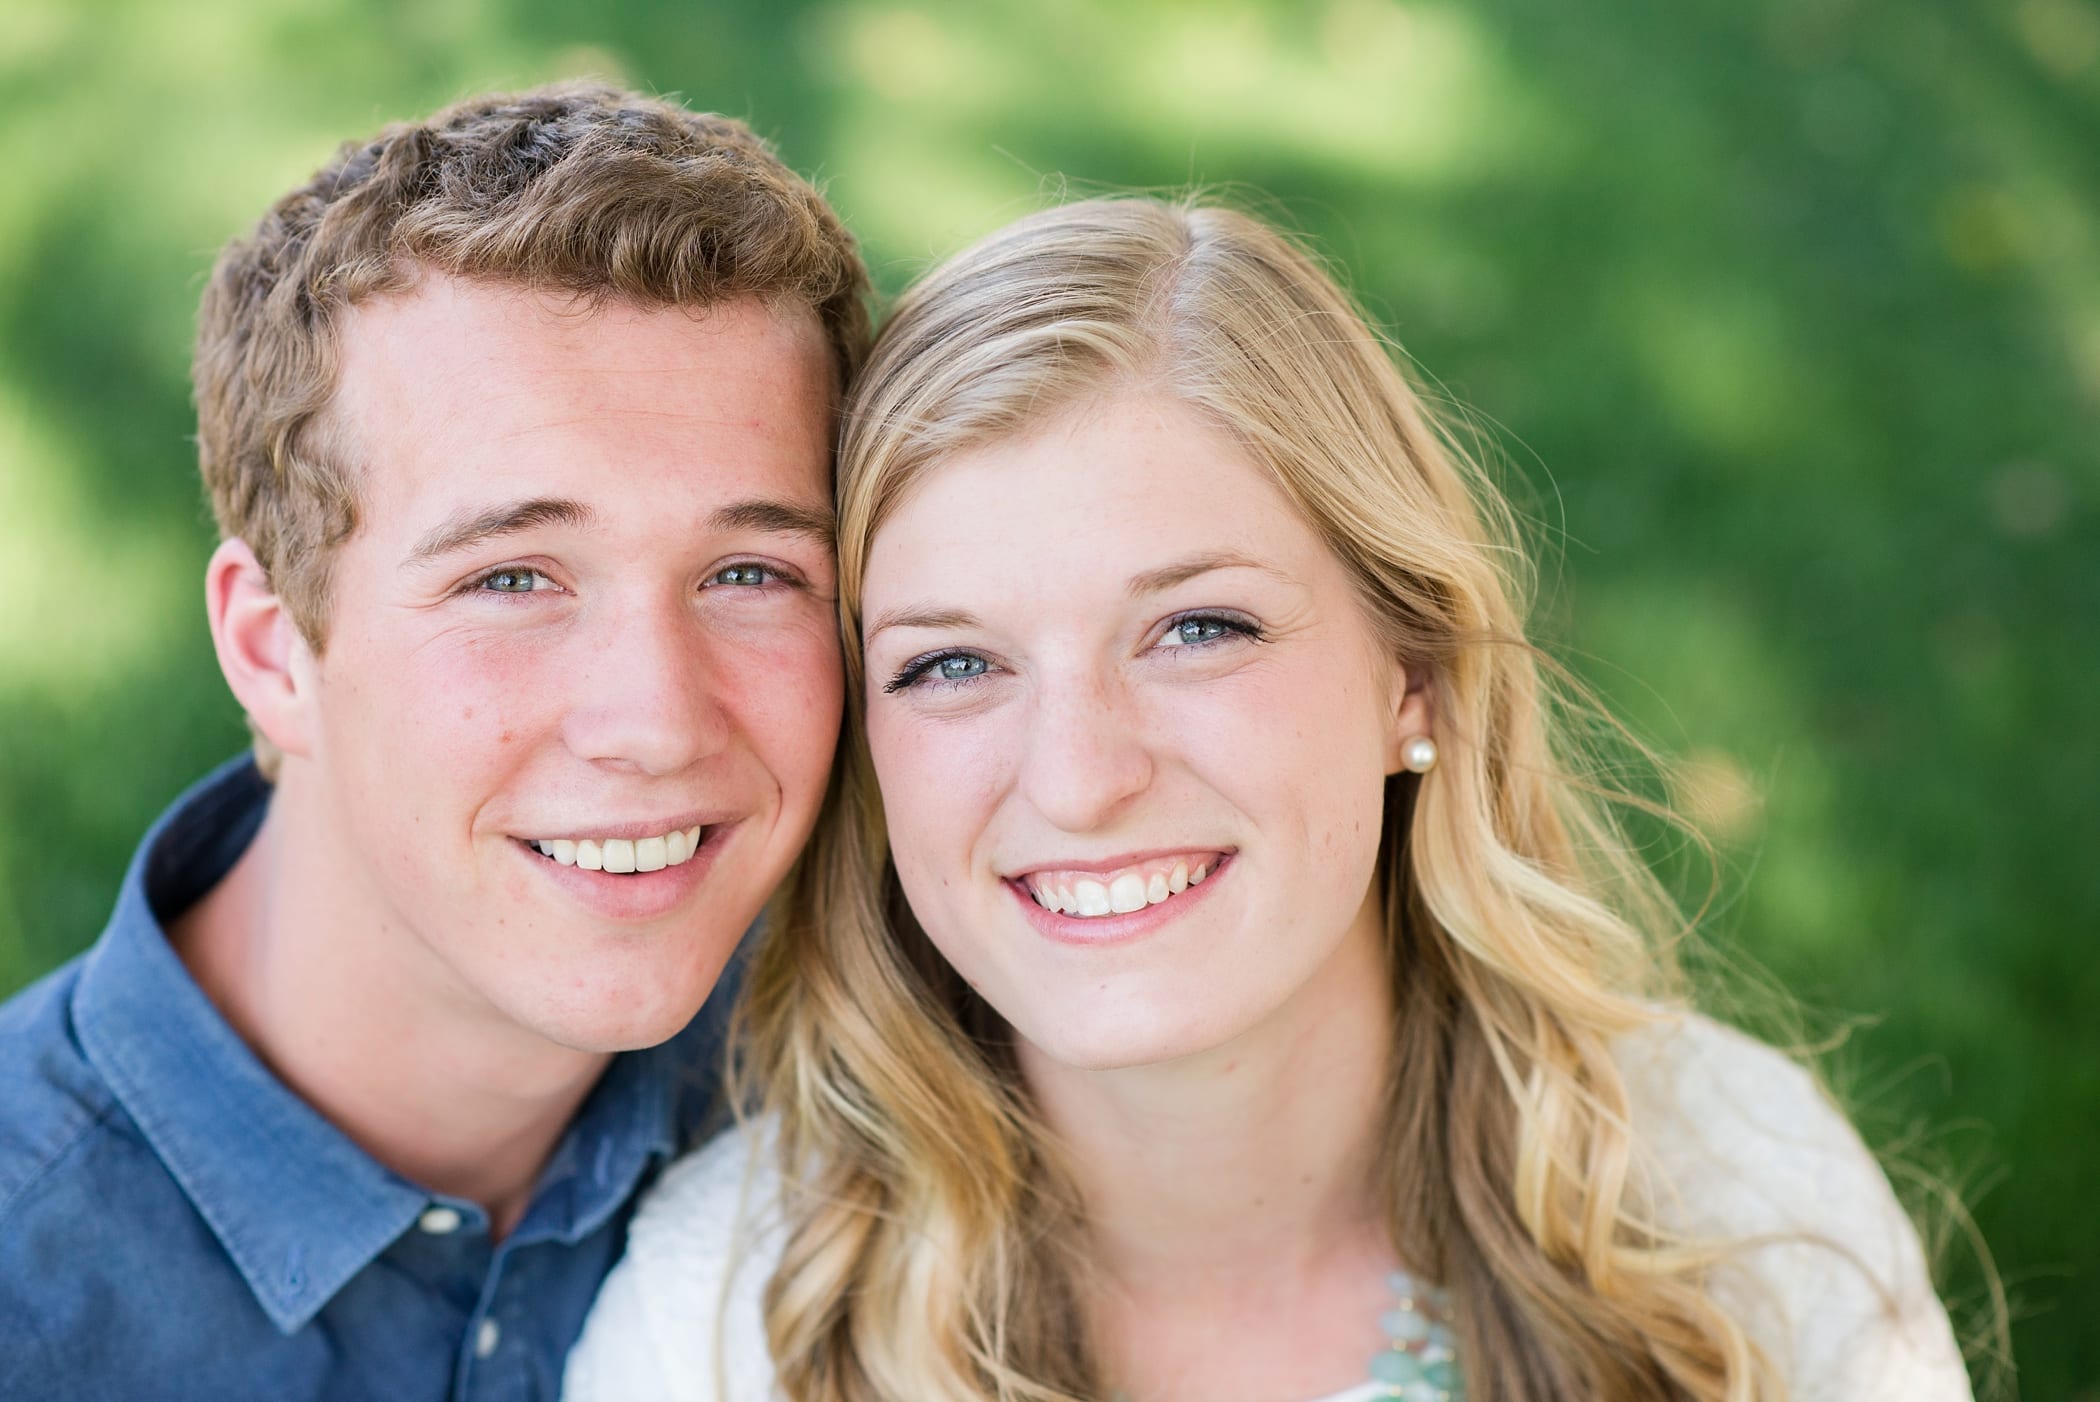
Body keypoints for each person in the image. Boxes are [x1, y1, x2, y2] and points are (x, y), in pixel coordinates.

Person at [565, 198, 1973, 1401]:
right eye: (951, 662)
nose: (1078, 774)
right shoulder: (727, 1322)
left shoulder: (1736, 1206)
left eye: (1197, 629)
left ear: (1411, 673)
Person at [0, 83, 867, 1400]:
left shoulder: (874, 1093)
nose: (655, 720)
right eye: (514, 577)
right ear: (271, 643)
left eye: (749, 572)